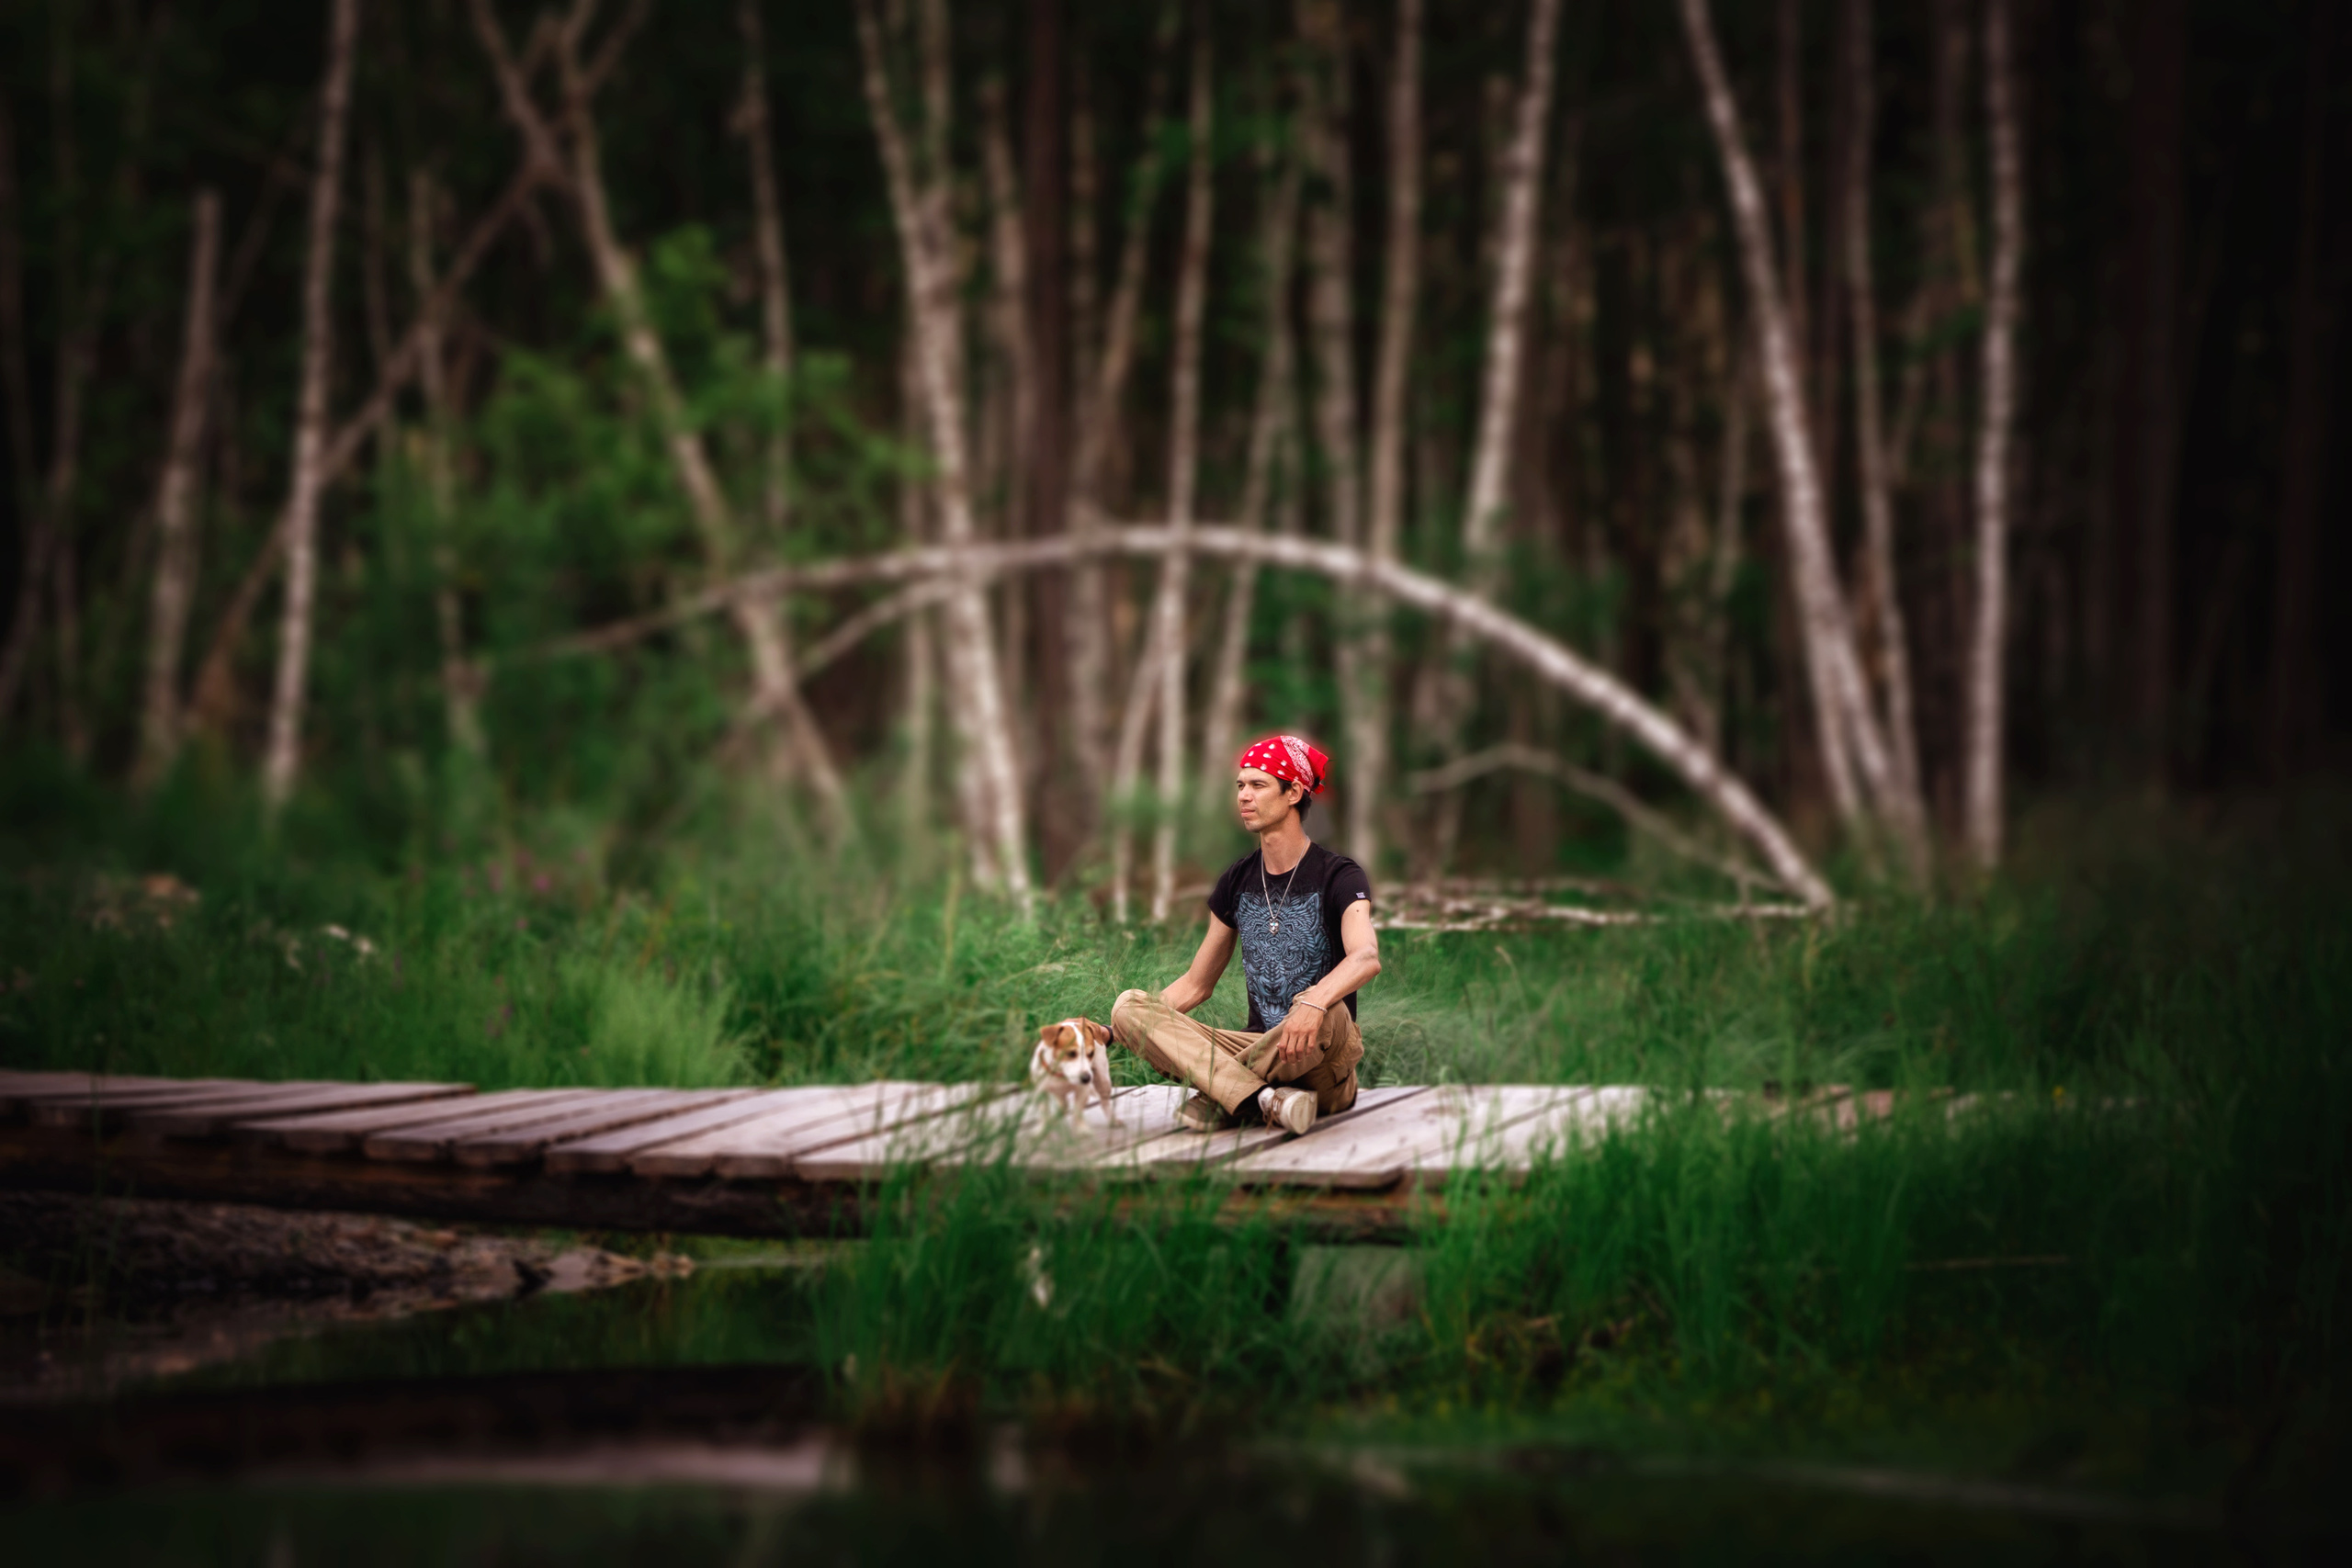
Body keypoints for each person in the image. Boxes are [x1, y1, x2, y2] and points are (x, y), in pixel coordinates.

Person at [1110, 734, 1381, 1136]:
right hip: (1260, 1048)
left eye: (1258, 785)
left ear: (1293, 792)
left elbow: (1366, 957)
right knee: (1129, 1006)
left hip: (1320, 1060)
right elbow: (1196, 985)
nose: (1243, 796)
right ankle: (1263, 1100)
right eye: (1240, 785)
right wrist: (1112, 1034)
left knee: (1333, 1014)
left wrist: (1314, 1002)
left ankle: (1225, 1093)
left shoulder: (1339, 874)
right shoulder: (1237, 879)